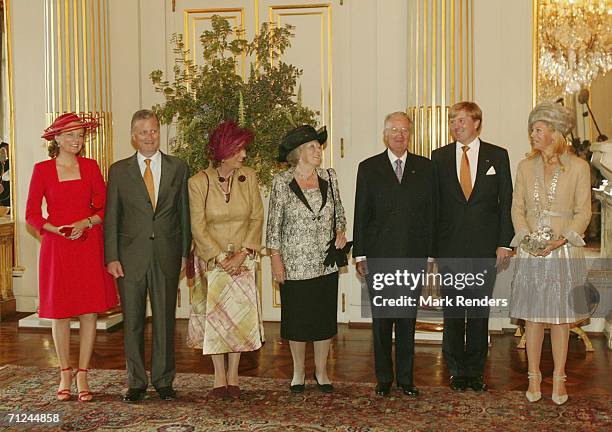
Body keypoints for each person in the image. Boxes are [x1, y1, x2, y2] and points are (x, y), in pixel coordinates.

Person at [25, 113, 118, 402]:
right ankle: (64, 372)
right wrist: (55, 229)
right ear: (56, 138)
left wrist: (85, 224)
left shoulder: (91, 167)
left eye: (80, 135)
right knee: (60, 313)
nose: (76, 140)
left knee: (89, 311)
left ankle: (83, 374)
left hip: (87, 246)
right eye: (70, 135)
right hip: (56, 247)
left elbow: (105, 210)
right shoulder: (42, 170)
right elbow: (31, 214)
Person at [104, 109, 191, 402]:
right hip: (129, 258)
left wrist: (184, 253)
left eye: (154, 130)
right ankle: (137, 381)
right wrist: (111, 256)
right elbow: (112, 217)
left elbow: (184, 213)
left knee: (166, 319)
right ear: (133, 136)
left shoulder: (178, 167)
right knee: (133, 321)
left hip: (167, 254)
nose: (150, 137)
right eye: (143, 132)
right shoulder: (118, 171)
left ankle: (164, 380)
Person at [509, 102, 591, 405]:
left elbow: (584, 213)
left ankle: (558, 377)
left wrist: (560, 240)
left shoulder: (579, 167)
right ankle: (533, 375)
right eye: (532, 129)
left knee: (560, 319)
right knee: (532, 318)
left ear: (555, 133)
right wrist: (527, 238)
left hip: (563, 253)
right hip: (532, 252)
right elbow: (517, 208)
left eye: (538, 129)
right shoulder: (524, 167)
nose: (532, 134)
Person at [431, 101, 514, 392]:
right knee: (453, 311)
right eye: (453, 120)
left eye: (461, 120)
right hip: (450, 247)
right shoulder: (438, 157)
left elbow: (507, 204)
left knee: (478, 312)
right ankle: (456, 370)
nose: (456, 125)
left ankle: (476, 372)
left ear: (476, 123)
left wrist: (505, 243)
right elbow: (434, 205)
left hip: (485, 249)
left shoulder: (497, 156)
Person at [353, 111, 436, 397]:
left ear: (410, 135)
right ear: (385, 134)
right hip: (379, 257)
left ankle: (406, 378)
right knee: (382, 322)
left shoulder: (425, 168)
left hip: (413, 257)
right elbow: (361, 214)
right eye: (395, 130)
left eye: (405, 131)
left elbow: (430, 217)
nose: (400, 135)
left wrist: (429, 256)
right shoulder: (368, 168)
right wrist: (360, 254)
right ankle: (384, 379)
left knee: (406, 321)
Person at [266, 125, 347, 393]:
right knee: (298, 320)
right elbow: (273, 226)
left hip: (326, 262)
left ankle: (321, 371)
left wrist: (339, 231)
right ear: (298, 153)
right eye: (312, 147)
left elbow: (340, 212)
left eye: (318, 146)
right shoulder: (281, 182)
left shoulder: (329, 176)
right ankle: (299, 371)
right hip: (295, 263)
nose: (318, 151)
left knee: (323, 320)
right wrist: (276, 259)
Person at [187, 121, 264, 399]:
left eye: (244, 150)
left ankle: (234, 374)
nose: (243, 155)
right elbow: (198, 226)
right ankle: (219, 375)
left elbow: (257, 217)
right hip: (212, 262)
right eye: (238, 150)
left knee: (238, 320)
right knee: (217, 320)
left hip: (243, 260)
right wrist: (220, 257)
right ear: (223, 151)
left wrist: (243, 253)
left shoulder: (250, 177)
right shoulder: (197, 182)